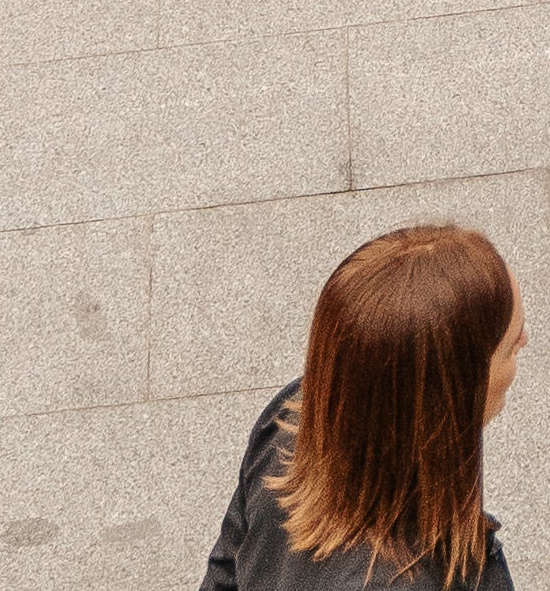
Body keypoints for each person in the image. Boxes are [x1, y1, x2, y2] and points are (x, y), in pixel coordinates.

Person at [203, 221, 526, 588]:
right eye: (511, 346)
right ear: (450, 395)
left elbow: (224, 572)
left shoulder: (298, 412)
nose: (525, 342)